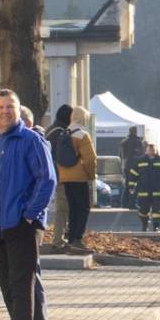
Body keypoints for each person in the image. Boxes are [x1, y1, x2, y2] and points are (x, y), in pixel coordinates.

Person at [0, 89, 57, 320]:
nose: (5, 111)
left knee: (22, 285)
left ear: (18, 109)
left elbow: (47, 179)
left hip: (22, 224)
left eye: (10, 106)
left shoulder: (31, 140)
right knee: (7, 285)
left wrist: (30, 214)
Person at [45, 105, 97, 251]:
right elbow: (90, 159)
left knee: (73, 208)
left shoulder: (63, 133)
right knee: (83, 208)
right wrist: (91, 176)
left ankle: (71, 239)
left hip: (64, 177)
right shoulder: (81, 134)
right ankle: (77, 239)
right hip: (79, 177)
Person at [129, 141, 160, 231]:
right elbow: (133, 174)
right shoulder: (140, 160)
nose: (151, 151)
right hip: (144, 190)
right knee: (143, 210)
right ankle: (144, 225)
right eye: (149, 150)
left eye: (153, 150)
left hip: (158, 191)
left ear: (156, 150)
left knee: (157, 211)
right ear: (146, 151)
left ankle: (156, 226)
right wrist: (131, 186)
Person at [119, 125, 144, 207]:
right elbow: (140, 154)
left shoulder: (124, 141)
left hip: (126, 166)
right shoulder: (137, 141)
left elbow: (121, 155)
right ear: (135, 131)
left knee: (127, 185)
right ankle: (131, 203)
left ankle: (124, 203)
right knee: (134, 185)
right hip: (135, 166)